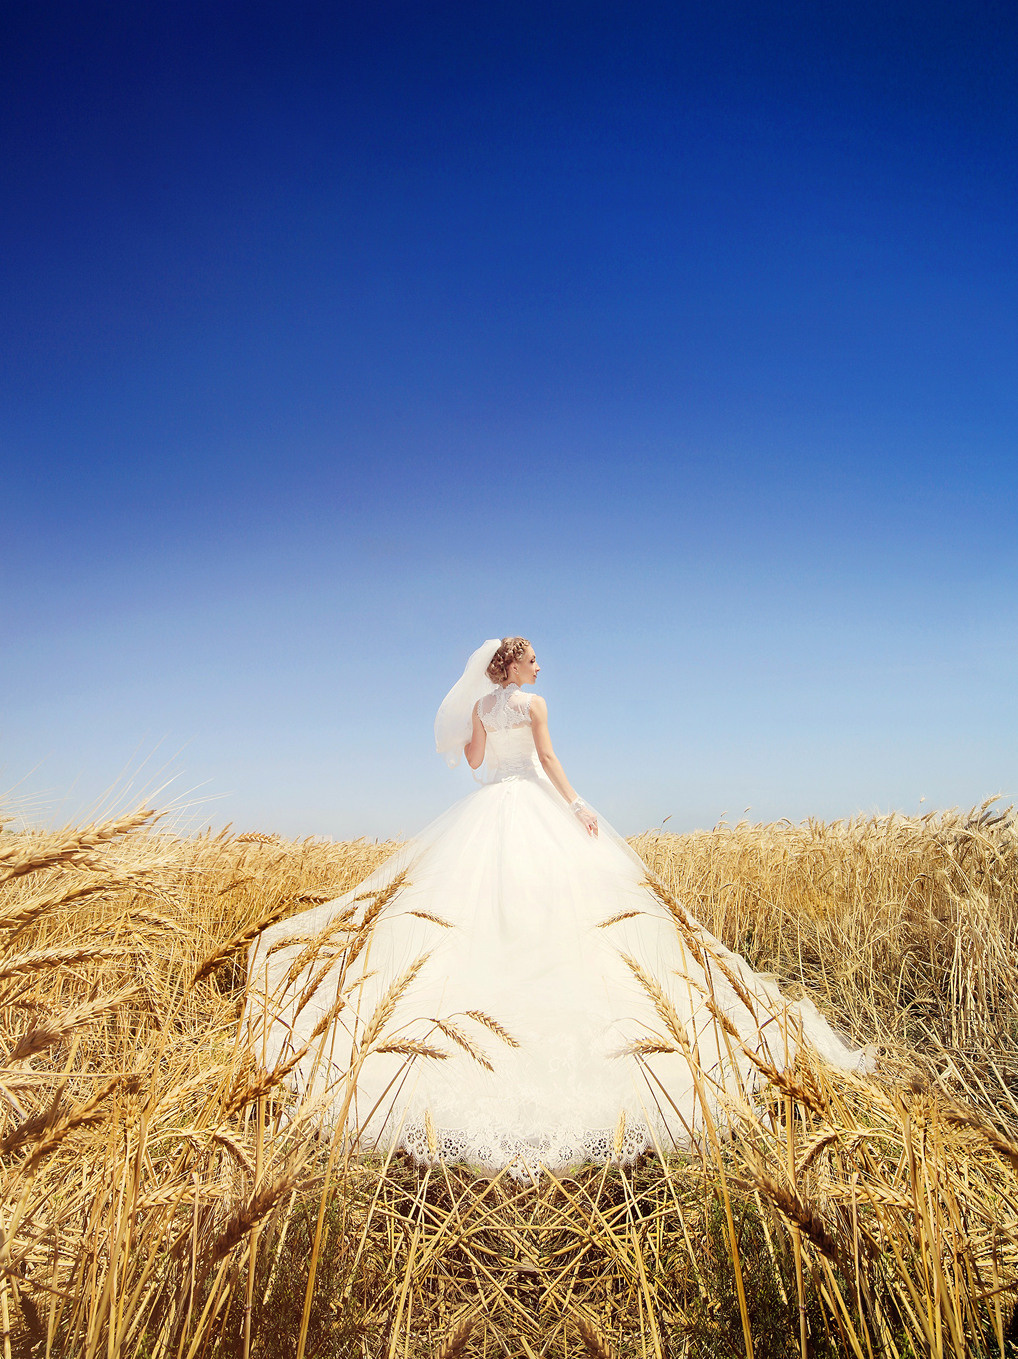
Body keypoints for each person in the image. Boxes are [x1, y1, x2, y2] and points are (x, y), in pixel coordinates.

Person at [245, 637, 872, 1178]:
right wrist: (575, 805)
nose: (541, 668)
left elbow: (472, 764)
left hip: (488, 811)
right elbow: (547, 759)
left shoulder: (485, 710)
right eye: (534, 659)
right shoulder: (531, 705)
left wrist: (471, 727)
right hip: (534, 804)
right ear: (514, 665)